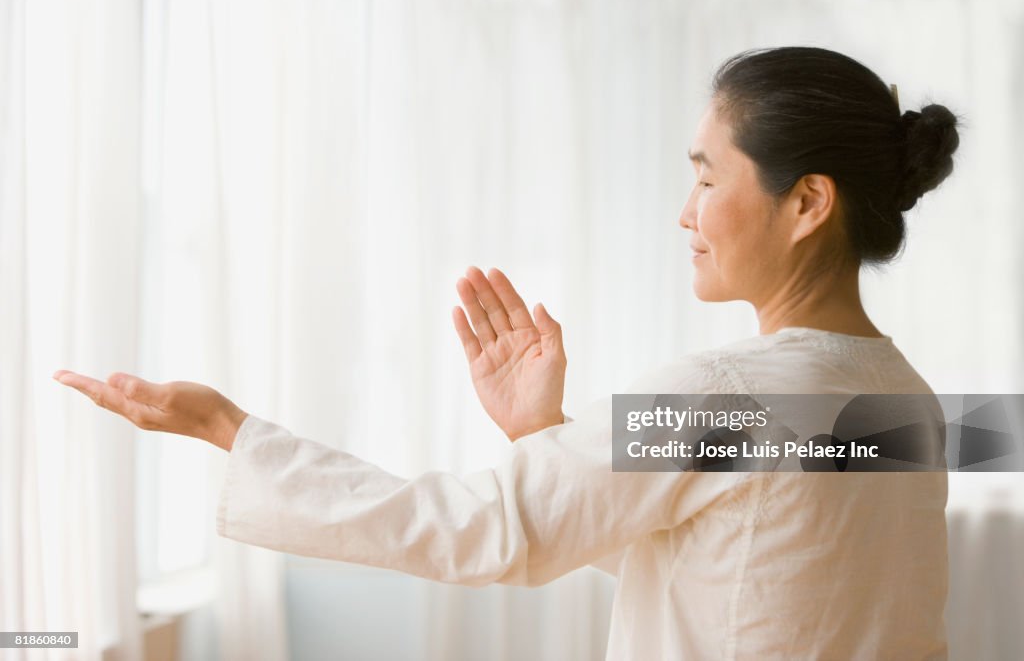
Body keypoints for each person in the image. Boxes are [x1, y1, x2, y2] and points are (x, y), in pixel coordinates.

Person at [55, 46, 959, 659]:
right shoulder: (907, 402)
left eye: (707, 175)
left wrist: (230, 429)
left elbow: (484, 525)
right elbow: (740, 558)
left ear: (806, 203)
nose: (686, 212)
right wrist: (548, 433)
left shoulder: (726, 396)